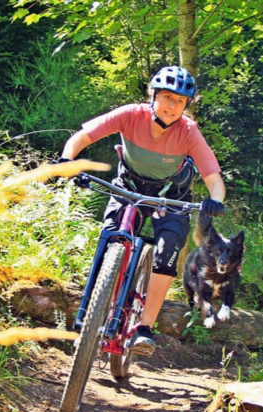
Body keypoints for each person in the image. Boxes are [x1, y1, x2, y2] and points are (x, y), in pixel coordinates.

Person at [58, 66, 225, 355]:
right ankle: (89, 317)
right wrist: (66, 159)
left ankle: (144, 328)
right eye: (167, 97)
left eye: (181, 101)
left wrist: (215, 201)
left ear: (186, 106)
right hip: (128, 189)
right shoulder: (130, 115)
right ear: (153, 95)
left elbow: (213, 178)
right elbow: (82, 137)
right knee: (110, 238)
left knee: (167, 250)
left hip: (170, 199)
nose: (173, 106)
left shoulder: (188, 132)